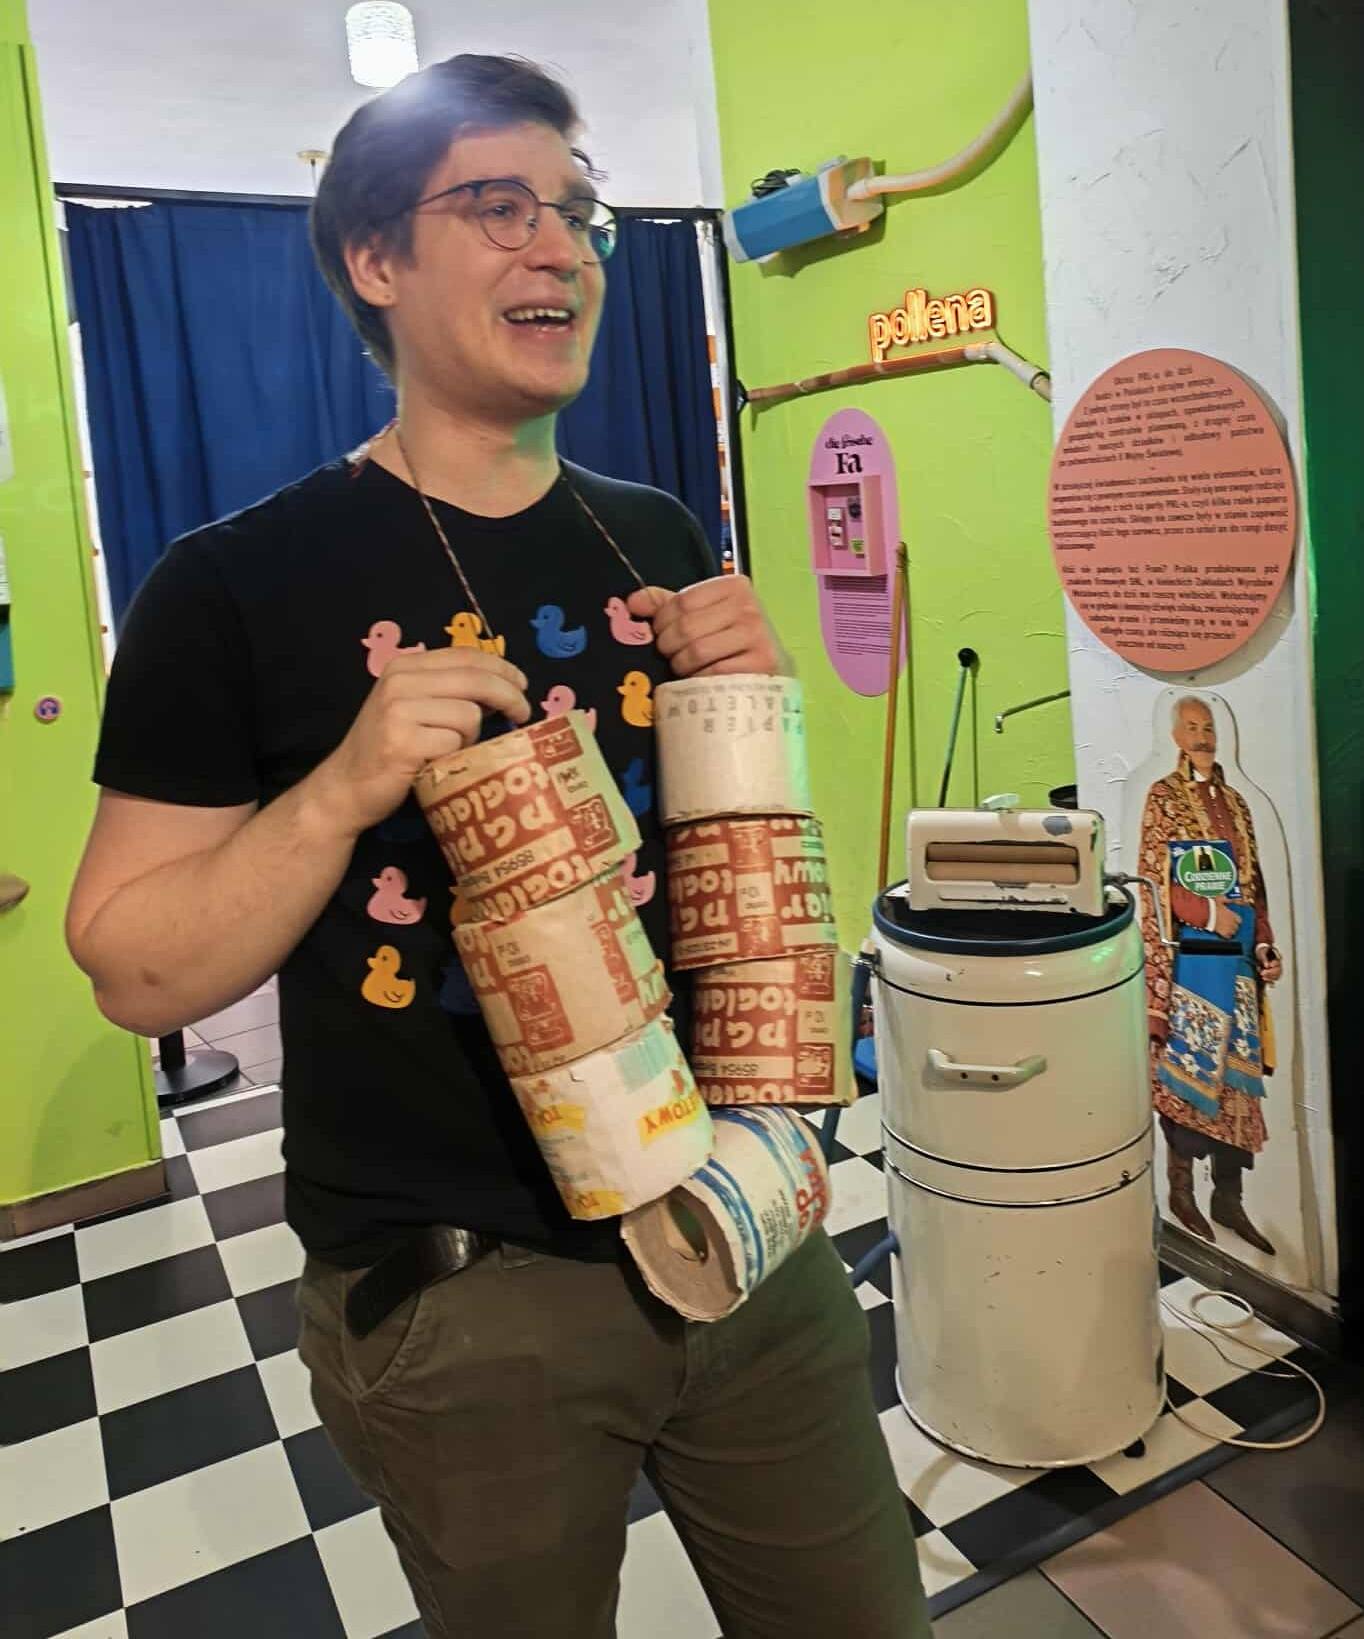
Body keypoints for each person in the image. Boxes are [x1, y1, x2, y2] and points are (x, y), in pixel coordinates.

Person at [66, 53, 928, 1639]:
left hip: (740, 1216)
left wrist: (749, 695)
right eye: (497, 205)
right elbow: (131, 965)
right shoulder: (232, 585)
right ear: (374, 259)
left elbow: (721, 868)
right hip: (464, 1299)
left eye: (581, 213)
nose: (562, 248)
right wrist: (338, 789)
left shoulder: (653, 528)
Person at [1138, 695, 1282, 1255]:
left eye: (1209, 727)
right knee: (1189, 1077)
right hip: (1191, 963)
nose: (1203, 736)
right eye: (1192, 727)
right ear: (1176, 736)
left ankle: (1229, 1198)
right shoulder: (1163, 797)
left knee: (1236, 1087)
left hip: (1239, 964)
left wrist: (1263, 942)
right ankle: (1181, 1193)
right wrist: (1205, 913)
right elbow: (1154, 881)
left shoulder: (1238, 803)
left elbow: (1254, 884)